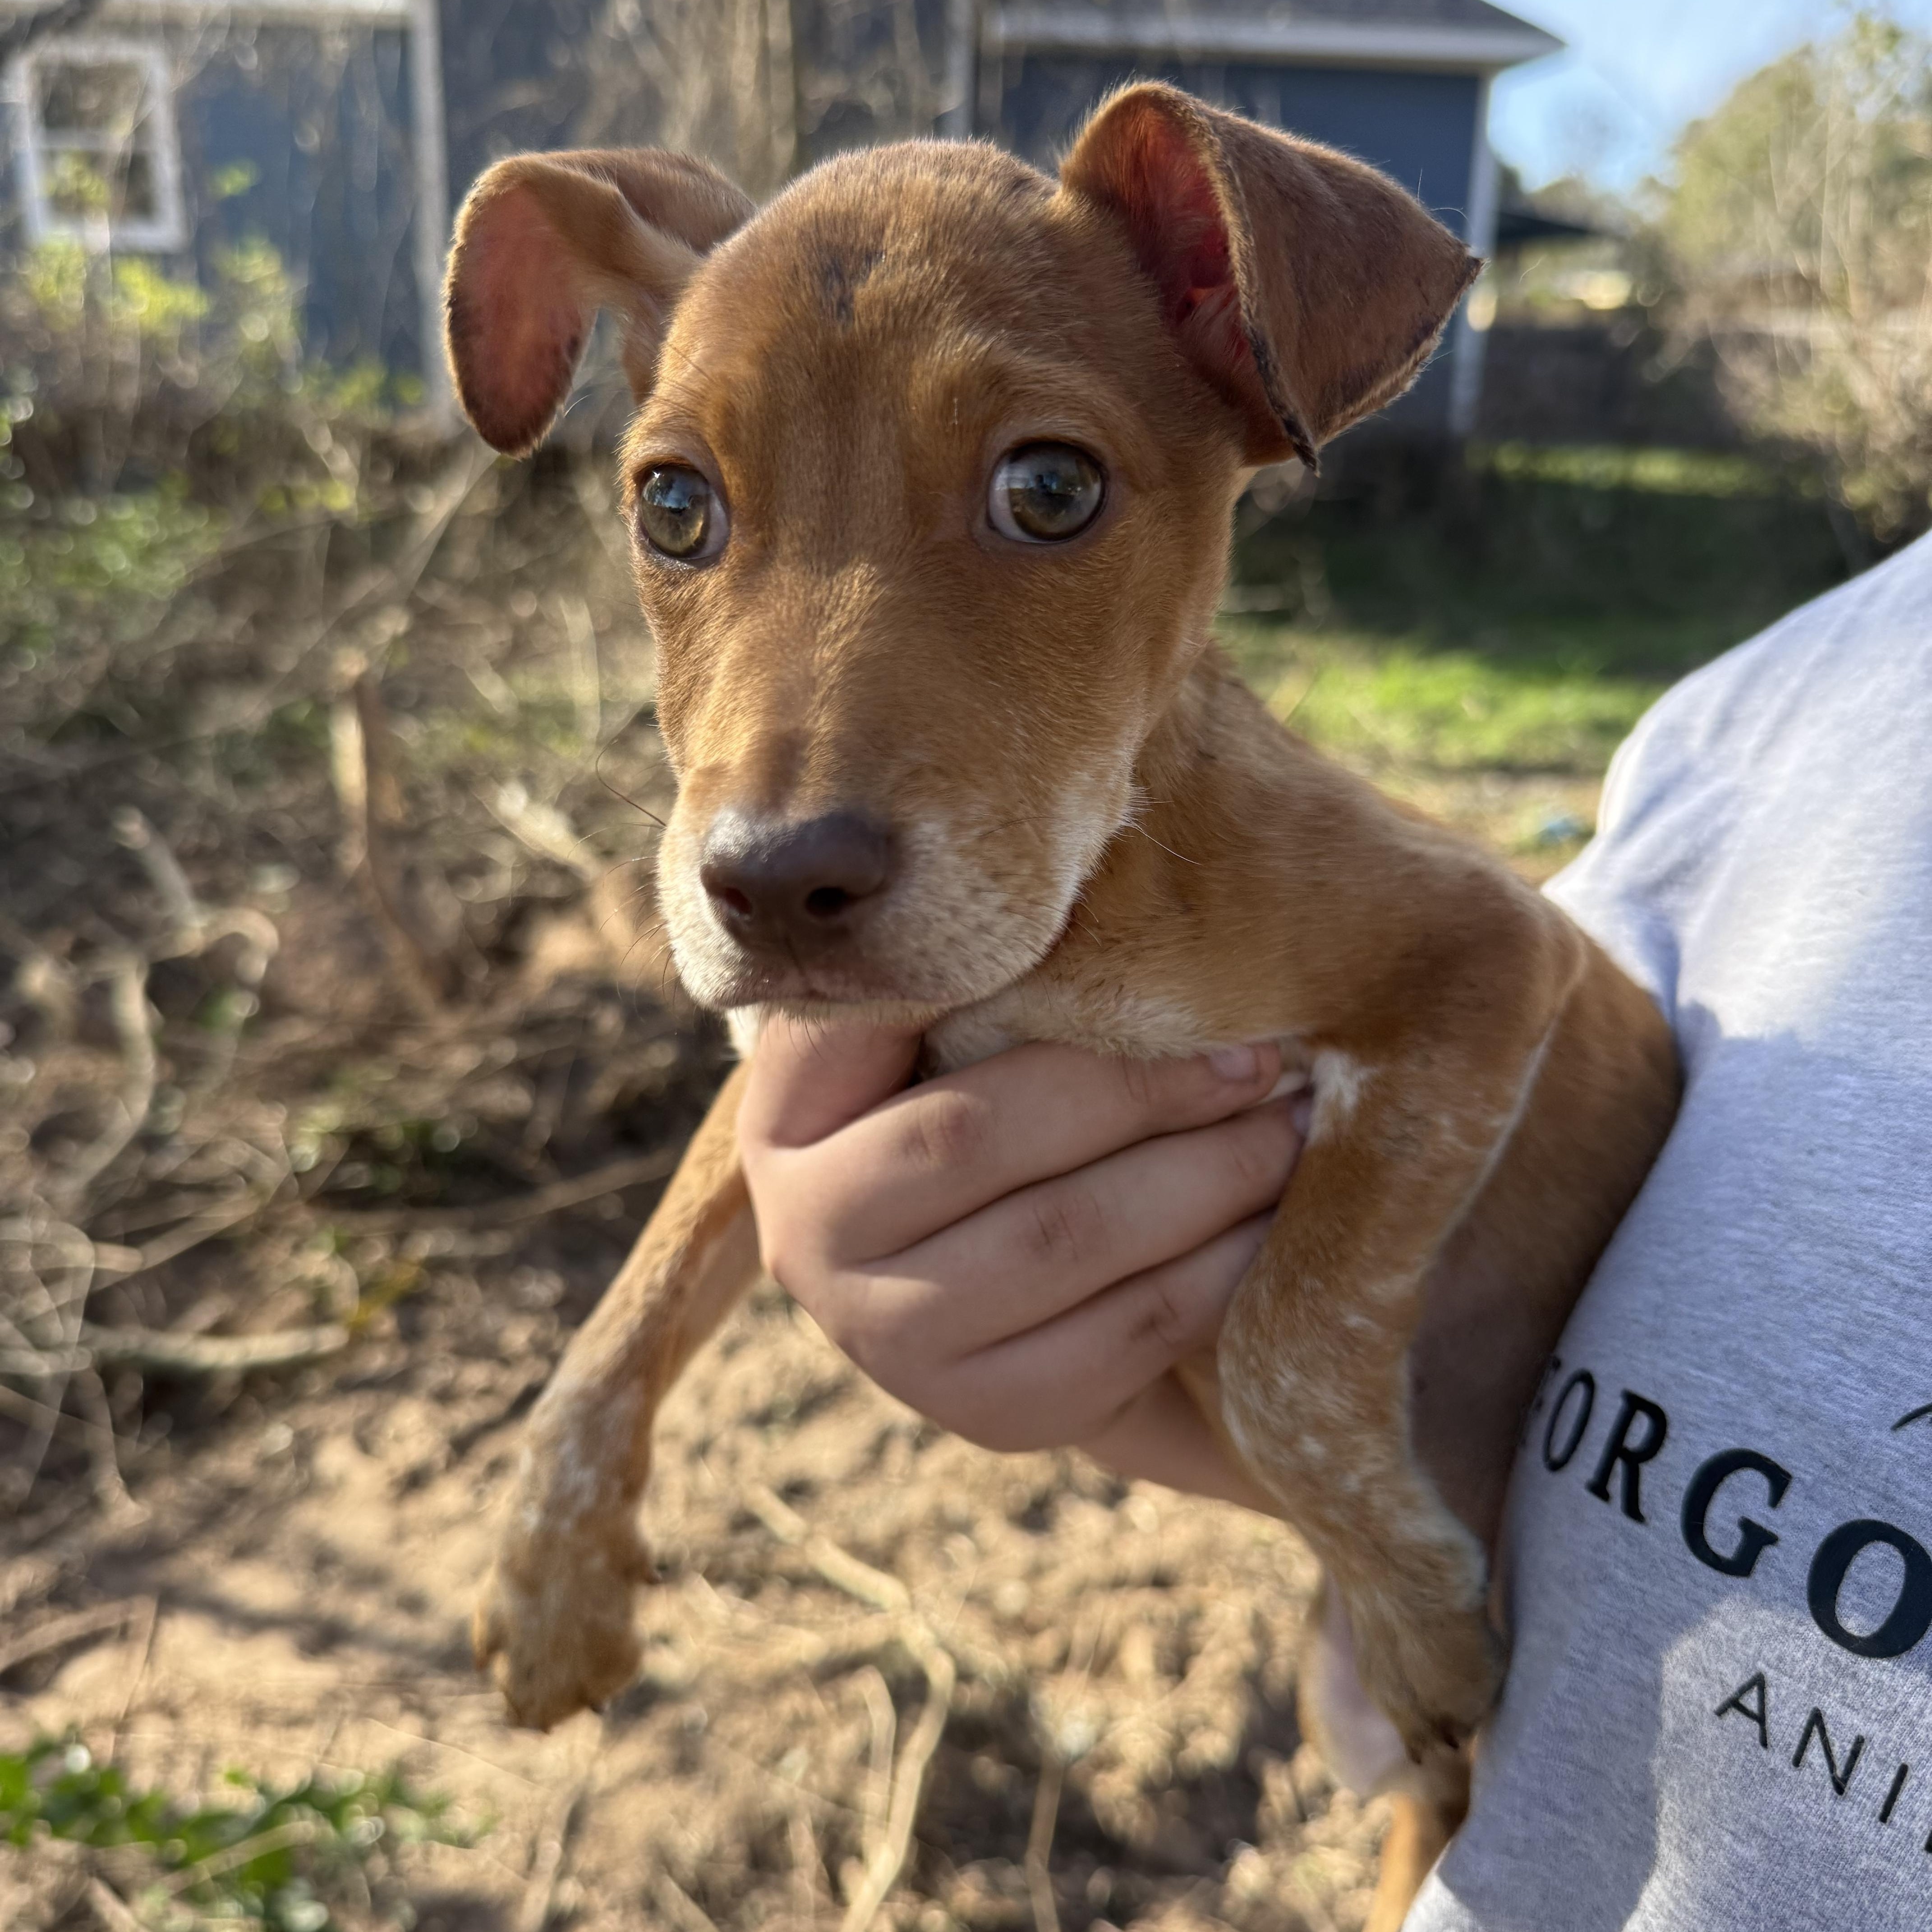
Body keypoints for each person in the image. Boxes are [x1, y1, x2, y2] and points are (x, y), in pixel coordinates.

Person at [737, 527, 1932, 1930]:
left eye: (1050, 491)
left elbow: (1485, 971)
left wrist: (1306, 1411)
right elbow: (1518, 1201)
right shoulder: (1758, 714)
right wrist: (1178, 1395)